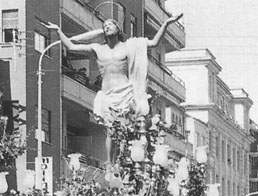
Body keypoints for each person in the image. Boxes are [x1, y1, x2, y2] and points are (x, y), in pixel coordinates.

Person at [45, 13, 182, 165]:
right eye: (104, 26)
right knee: (110, 131)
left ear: (118, 29)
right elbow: (71, 46)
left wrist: (166, 24)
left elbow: (154, 43)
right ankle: (110, 164)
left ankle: (125, 161)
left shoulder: (128, 47)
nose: (107, 27)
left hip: (125, 93)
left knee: (124, 130)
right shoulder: (97, 48)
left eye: (110, 24)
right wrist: (58, 31)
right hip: (107, 95)